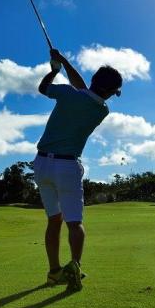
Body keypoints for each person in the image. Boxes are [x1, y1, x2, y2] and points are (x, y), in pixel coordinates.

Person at [33, 48, 122, 291]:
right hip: (67, 166)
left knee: (54, 220)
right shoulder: (101, 109)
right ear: (109, 92)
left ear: (94, 81)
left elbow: (43, 88)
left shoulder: (66, 93)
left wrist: (55, 70)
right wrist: (64, 63)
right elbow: (84, 90)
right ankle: (75, 267)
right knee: (74, 222)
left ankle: (54, 272)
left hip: (41, 164)